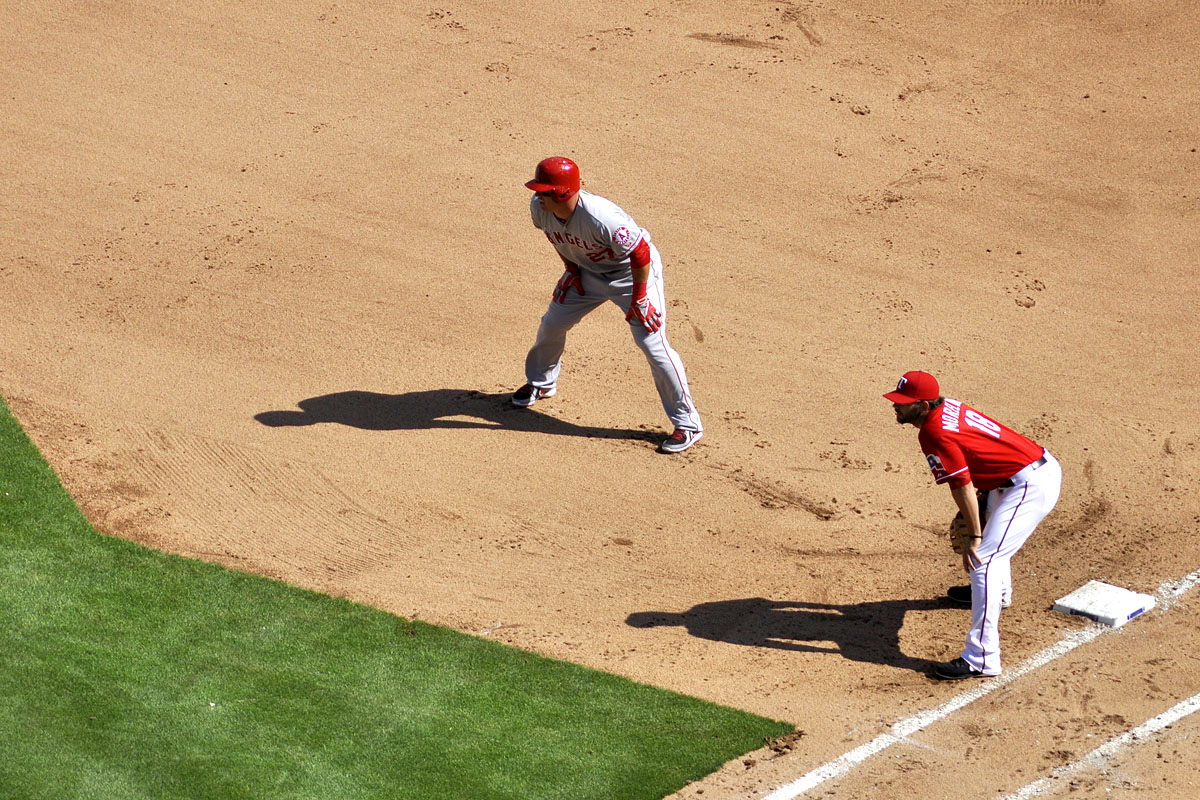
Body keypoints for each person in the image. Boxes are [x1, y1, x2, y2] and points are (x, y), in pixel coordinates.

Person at [513, 157, 703, 453]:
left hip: (632, 276)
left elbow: (640, 253)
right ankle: (542, 382)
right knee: (553, 323)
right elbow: (557, 238)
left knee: (652, 343)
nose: (537, 196)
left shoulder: (603, 218)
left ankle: (688, 424)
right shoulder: (540, 210)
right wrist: (571, 269)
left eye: (544, 192)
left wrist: (640, 298)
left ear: (563, 193)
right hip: (587, 273)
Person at [884, 370, 1062, 680]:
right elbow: (976, 450)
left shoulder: (933, 432)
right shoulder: (946, 406)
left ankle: (982, 658)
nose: (896, 406)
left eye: (903, 402)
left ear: (923, 406)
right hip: (1018, 474)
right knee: (991, 554)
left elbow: (961, 485)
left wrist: (975, 534)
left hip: (1028, 487)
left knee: (983, 559)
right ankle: (997, 593)